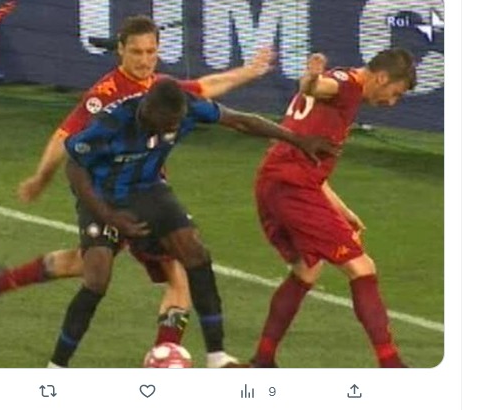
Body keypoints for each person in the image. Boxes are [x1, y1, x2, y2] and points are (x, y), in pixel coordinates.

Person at [0, 15, 278, 349]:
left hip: (147, 193)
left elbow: (204, 87)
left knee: (84, 263)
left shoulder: (160, 87)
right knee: (171, 273)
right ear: (121, 51)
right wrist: (42, 177)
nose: (144, 60)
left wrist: (248, 72)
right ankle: (165, 356)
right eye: (137, 52)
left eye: (150, 52)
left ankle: (6, 280)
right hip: (109, 197)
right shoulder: (105, 95)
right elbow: (64, 136)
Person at [49, 77, 336, 368]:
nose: (174, 128)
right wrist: (107, 215)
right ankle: (57, 367)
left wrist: (297, 140)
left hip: (147, 188)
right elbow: (75, 168)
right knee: (97, 278)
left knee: (195, 253)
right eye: (168, 123)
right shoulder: (112, 123)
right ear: (149, 111)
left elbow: (241, 121)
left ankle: (217, 357)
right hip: (102, 194)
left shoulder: (188, 106)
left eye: (178, 121)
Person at [250, 48, 417, 368]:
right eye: (395, 93)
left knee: (307, 269)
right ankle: (392, 366)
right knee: (362, 267)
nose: (392, 102)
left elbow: (311, 164)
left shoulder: (342, 81)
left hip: (274, 183)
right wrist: (311, 78)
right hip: (293, 189)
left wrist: (342, 210)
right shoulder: (346, 86)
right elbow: (315, 87)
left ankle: (263, 358)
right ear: (382, 78)